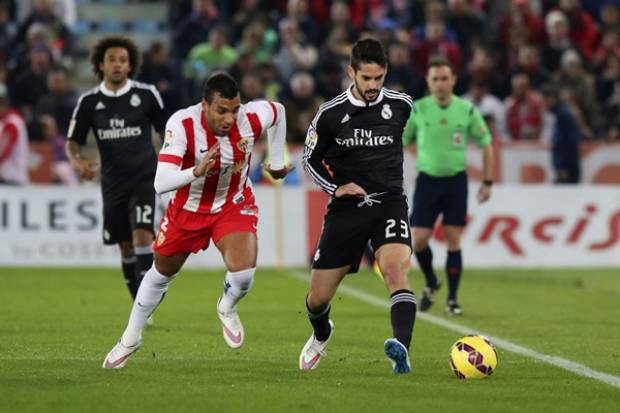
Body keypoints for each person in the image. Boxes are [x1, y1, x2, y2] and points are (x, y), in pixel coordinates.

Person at [102, 72, 292, 369]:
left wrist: (276, 161)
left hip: (233, 203)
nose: (230, 118)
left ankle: (226, 306)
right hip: (188, 209)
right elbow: (160, 182)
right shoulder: (182, 124)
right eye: (221, 111)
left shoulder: (250, 118)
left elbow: (278, 111)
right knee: (161, 272)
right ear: (205, 105)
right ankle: (131, 336)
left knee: (243, 275)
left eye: (234, 109)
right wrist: (196, 171)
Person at [300, 38, 416, 374]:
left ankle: (402, 350)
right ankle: (322, 333)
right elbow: (310, 160)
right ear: (351, 72)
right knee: (318, 298)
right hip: (348, 209)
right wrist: (336, 188)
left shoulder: (401, 105)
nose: (372, 85)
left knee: (394, 270)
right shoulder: (330, 114)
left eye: (378, 78)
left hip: (389, 204)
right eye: (366, 78)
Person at [66, 36, 166, 304]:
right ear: (101, 64)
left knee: (143, 233)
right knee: (126, 245)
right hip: (112, 182)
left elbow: (166, 132)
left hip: (145, 177)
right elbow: (72, 142)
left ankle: (146, 303)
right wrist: (78, 162)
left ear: (130, 65)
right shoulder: (89, 102)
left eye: (123, 60)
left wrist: (169, 160)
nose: (118, 65)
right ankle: (139, 302)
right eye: (112, 60)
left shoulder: (146, 95)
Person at [403, 55, 494, 316]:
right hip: (427, 181)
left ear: (453, 80)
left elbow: (486, 144)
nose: (440, 84)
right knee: (418, 240)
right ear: (428, 82)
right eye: (435, 79)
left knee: (454, 238)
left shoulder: (466, 110)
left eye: (444, 78)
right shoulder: (418, 109)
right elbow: (399, 142)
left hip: (456, 181)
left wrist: (487, 182)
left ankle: (452, 299)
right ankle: (432, 281)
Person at [541, 84, 581, 183]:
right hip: (566, 165)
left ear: (552, 99)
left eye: (545, 100)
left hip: (566, 167)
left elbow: (567, 142)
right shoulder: (559, 113)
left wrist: (563, 166)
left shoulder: (563, 115)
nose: (544, 104)